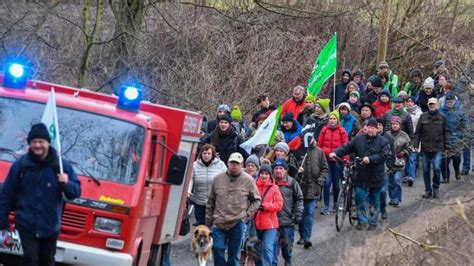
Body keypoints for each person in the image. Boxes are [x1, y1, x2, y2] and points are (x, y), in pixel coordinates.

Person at [0, 123, 81, 265]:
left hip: (50, 226)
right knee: (30, 260)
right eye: (34, 142)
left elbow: (75, 192)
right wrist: (3, 223)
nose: (37, 145)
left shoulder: (61, 166)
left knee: (47, 261)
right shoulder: (20, 166)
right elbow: (6, 195)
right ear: (29, 144)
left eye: (41, 142)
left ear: (48, 143)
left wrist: (66, 183)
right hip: (26, 224)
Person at [330, 118, 391, 230]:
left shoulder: (383, 141)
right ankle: (362, 220)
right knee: (359, 197)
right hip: (361, 175)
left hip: (376, 176)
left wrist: (371, 159)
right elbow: (347, 148)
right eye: (369, 128)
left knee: (374, 200)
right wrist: (335, 152)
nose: (371, 130)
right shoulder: (359, 139)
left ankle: (372, 223)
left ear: (377, 129)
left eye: (373, 128)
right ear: (366, 128)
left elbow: (385, 155)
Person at [206, 152, 262, 266]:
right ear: (228, 163)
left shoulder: (248, 180)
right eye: (232, 163)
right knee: (217, 249)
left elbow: (256, 200)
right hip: (219, 221)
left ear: (242, 165)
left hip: (237, 222)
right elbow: (210, 201)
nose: (234, 166)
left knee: (234, 255)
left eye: (237, 163)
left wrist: (246, 214)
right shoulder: (217, 179)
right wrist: (208, 222)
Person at [413, 98, 448, 199]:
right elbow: (418, 132)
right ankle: (428, 190)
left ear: (437, 105)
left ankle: (436, 188)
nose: (432, 106)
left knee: (437, 168)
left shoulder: (442, 117)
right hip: (425, 147)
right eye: (430, 104)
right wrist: (416, 143)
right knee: (426, 170)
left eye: (433, 104)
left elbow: (446, 131)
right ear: (428, 105)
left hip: (438, 147)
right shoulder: (423, 116)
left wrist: (447, 146)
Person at [296, 140, 328, 247]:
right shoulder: (298, 151)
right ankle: (301, 234)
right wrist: (298, 172)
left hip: (314, 187)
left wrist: (320, 181)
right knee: (300, 213)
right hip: (300, 188)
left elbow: (324, 168)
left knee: (309, 212)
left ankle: (307, 238)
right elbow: (292, 170)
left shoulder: (319, 152)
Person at [272, 158, 303, 266]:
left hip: (287, 222)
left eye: (281, 168)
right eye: (276, 168)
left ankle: (288, 261)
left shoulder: (292, 182)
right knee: (272, 251)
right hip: (272, 222)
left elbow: (299, 198)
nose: (278, 171)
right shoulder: (270, 183)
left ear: (285, 170)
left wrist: (298, 213)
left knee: (287, 249)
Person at [318, 112, 348, 215]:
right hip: (326, 161)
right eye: (330, 118)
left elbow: (345, 146)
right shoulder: (324, 130)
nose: (332, 120)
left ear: (337, 120)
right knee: (326, 184)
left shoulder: (341, 131)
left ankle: (335, 203)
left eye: (334, 119)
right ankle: (326, 206)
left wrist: (345, 159)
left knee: (336, 185)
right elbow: (319, 145)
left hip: (337, 161)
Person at [189, 144, 227, 225]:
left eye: (209, 153)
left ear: (213, 154)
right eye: (204, 153)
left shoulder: (221, 165)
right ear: (201, 154)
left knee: (213, 226)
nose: (206, 155)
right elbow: (190, 179)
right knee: (201, 225)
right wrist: (188, 190)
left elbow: (227, 179)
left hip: (215, 202)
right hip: (199, 201)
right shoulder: (194, 165)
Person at [254, 164, 283, 266]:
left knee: (267, 249)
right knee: (257, 251)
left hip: (270, 225)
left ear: (270, 176)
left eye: (266, 174)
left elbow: (279, 205)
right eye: (262, 173)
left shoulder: (274, 188)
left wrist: (266, 206)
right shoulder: (253, 186)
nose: (264, 176)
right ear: (259, 174)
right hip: (256, 223)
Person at [439, 93, 467, 183]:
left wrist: (462, 136)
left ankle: (457, 170)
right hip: (444, 138)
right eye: (448, 100)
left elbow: (465, 123)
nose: (449, 102)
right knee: (444, 160)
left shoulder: (460, 110)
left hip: (456, 138)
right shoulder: (441, 110)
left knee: (456, 159)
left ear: (454, 100)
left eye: (451, 100)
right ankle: (445, 177)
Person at [386, 117, 412, 207]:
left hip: (399, 162)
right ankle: (392, 198)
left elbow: (409, 147)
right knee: (390, 182)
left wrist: (403, 152)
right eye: (393, 124)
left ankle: (397, 199)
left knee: (397, 180)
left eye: (396, 124)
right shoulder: (386, 134)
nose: (395, 126)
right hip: (388, 162)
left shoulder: (404, 135)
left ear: (400, 125)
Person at [405, 96, 423, 186]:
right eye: (408, 102)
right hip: (405, 137)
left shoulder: (419, 113)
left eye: (411, 102)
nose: (409, 103)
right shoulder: (404, 112)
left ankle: (411, 176)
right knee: (407, 157)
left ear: (414, 103)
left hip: (415, 137)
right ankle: (408, 174)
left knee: (412, 157)